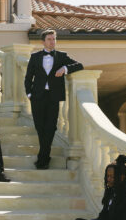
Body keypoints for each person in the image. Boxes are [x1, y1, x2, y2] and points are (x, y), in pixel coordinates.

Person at [24, 29, 83, 168]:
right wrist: (29, 94)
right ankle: (44, 156)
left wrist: (65, 69)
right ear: (43, 41)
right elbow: (28, 78)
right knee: (40, 127)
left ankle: (43, 157)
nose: (53, 42)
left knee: (50, 127)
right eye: (50, 39)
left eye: (54, 39)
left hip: (53, 97)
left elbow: (79, 65)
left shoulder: (62, 56)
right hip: (37, 97)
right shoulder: (35, 57)